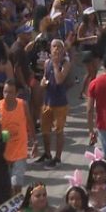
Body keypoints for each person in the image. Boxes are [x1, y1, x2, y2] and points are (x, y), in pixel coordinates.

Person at [0, 79, 34, 194]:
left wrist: (34, 142)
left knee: (16, 184)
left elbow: (30, 123)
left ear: (17, 93)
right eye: (5, 92)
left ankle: (16, 206)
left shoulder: (23, 105)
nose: (7, 95)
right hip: (4, 152)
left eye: (11, 92)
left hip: (20, 151)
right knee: (6, 184)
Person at [39, 38, 72, 166]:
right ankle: (47, 153)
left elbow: (59, 80)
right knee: (45, 131)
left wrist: (55, 64)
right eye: (53, 46)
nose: (56, 49)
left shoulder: (65, 63)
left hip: (60, 103)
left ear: (63, 50)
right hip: (47, 101)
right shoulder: (47, 62)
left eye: (58, 47)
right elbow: (44, 77)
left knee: (59, 130)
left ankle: (57, 158)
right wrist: (42, 82)